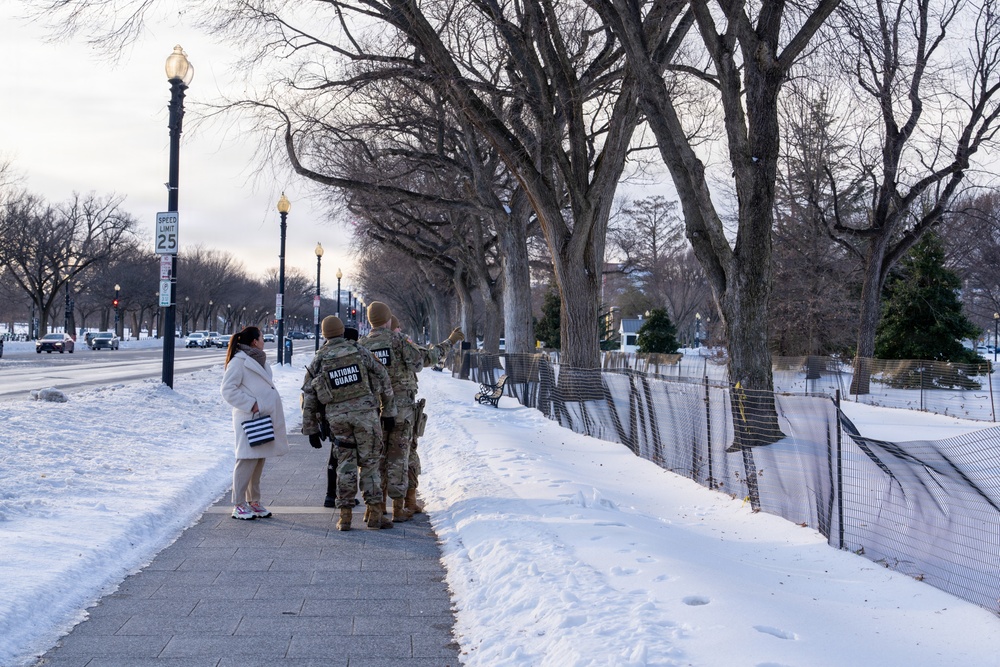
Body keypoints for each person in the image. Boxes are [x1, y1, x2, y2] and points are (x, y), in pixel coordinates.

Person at [360, 302, 463, 523]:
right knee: (399, 457)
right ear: (387, 320)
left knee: (375, 459)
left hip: (372, 411)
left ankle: (376, 508)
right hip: (400, 410)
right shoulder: (397, 340)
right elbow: (421, 361)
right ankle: (398, 509)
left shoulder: (362, 345)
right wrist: (450, 342)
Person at [302, 315, 396, 531]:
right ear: (343, 331)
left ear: (324, 335)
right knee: (371, 464)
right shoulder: (358, 350)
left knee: (345, 466)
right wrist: (388, 410)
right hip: (366, 416)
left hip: (338, 419)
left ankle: (344, 517)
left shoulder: (319, 359)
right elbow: (382, 375)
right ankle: (375, 515)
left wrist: (311, 429)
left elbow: (310, 395)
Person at [220, 326, 289, 520]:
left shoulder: (257, 359)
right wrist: (252, 404)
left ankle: (254, 501)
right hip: (249, 418)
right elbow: (227, 390)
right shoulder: (239, 362)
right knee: (246, 460)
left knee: (259, 459)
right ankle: (238, 503)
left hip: (262, 417)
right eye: (261, 337)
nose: (264, 341)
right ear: (254, 342)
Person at [321, 326, 360, 509]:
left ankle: (331, 494)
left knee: (334, 455)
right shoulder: (352, 355)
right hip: (349, 415)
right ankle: (344, 495)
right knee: (348, 456)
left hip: (330, 414)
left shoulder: (324, 354)